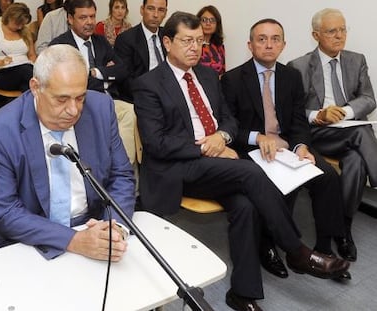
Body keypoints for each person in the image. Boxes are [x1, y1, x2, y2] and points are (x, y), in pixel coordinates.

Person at [132, 11, 349, 311]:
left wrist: (221, 137)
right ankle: (296, 250)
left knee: (245, 205)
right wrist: (208, 147)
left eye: (199, 41)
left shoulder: (208, 75)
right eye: (187, 41)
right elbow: (156, 143)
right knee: (249, 171)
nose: (195, 47)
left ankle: (242, 293)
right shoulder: (148, 84)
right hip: (178, 168)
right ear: (167, 43)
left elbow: (229, 121)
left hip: (217, 165)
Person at [0, 44, 135, 261]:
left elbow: (122, 176)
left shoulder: (101, 109)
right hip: (35, 234)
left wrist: (113, 228)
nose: (73, 110)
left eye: (80, 97)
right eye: (61, 99)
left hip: (95, 224)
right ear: (35, 87)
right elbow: (6, 211)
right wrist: (74, 241)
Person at [221, 18, 350, 282]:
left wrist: (302, 146)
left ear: (283, 44)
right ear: (250, 44)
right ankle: (267, 248)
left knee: (327, 177)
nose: (269, 45)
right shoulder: (232, 79)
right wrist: (257, 138)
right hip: (252, 150)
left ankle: (323, 250)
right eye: (262, 39)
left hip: (289, 147)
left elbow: (298, 122)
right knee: (278, 184)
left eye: (275, 39)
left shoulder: (291, 76)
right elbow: (229, 126)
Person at [288, 8, 377, 263]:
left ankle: (344, 231)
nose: (340, 36)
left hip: (348, 131)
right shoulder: (300, 65)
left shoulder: (356, 60)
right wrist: (318, 115)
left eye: (343, 29)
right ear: (316, 35)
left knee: (356, 163)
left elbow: (369, 99)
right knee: (361, 131)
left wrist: (346, 112)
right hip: (319, 133)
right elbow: (292, 111)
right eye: (332, 31)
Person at [49, 0, 135, 166]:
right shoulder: (60, 46)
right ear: (70, 19)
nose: (89, 22)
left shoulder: (100, 41)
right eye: (83, 17)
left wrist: (95, 72)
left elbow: (123, 70)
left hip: (110, 99)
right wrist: (106, 76)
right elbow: (71, 84)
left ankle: (124, 168)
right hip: (80, 102)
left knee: (130, 112)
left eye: (92, 16)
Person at [114, 0, 167, 102]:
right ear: (142, 10)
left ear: (165, 13)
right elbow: (125, 80)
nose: (155, 15)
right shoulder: (126, 39)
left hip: (168, 93)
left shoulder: (168, 36)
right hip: (142, 96)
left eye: (161, 10)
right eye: (151, 9)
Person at [0, 2, 36, 92]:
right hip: (0, 73)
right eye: (17, 23)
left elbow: (32, 55)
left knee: (27, 84)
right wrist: (1, 62)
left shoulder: (25, 32)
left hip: (24, 71)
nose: (20, 27)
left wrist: (33, 63)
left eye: (23, 24)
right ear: (9, 17)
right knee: (27, 74)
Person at [196, 5, 225, 77]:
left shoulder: (219, 46)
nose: (208, 23)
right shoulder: (192, 44)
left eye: (212, 20)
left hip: (216, 85)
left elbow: (223, 72)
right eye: (204, 20)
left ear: (217, 25)